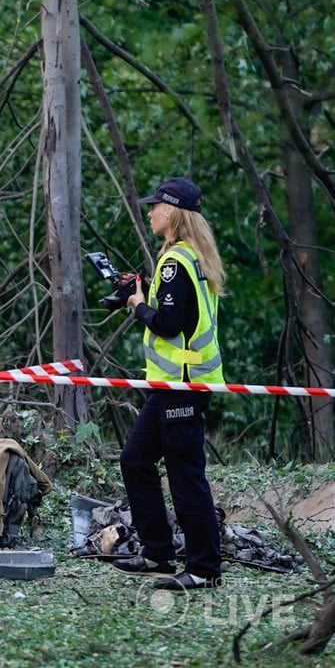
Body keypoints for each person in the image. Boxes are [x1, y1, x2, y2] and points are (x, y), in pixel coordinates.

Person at [113, 177, 225, 592]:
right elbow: (181, 310)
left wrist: (139, 305)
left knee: (184, 475)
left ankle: (203, 569)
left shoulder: (177, 260)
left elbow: (169, 323)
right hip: (172, 386)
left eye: (155, 206)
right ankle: (158, 551)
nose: (150, 212)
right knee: (135, 461)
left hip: (184, 386)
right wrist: (145, 286)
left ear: (173, 212)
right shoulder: (188, 258)